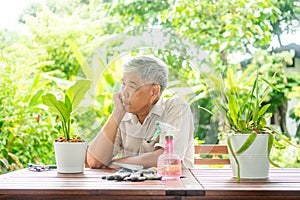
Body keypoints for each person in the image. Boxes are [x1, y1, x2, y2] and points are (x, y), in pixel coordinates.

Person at [87, 55, 195, 169]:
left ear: (154, 91)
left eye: (132, 86)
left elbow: (167, 158)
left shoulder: (176, 107)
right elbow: (95, 161)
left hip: (173, 185)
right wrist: (116, 114)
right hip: (129, 186)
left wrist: (113, 164)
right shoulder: (123, 115)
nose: (124, 93)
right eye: (124, 84)